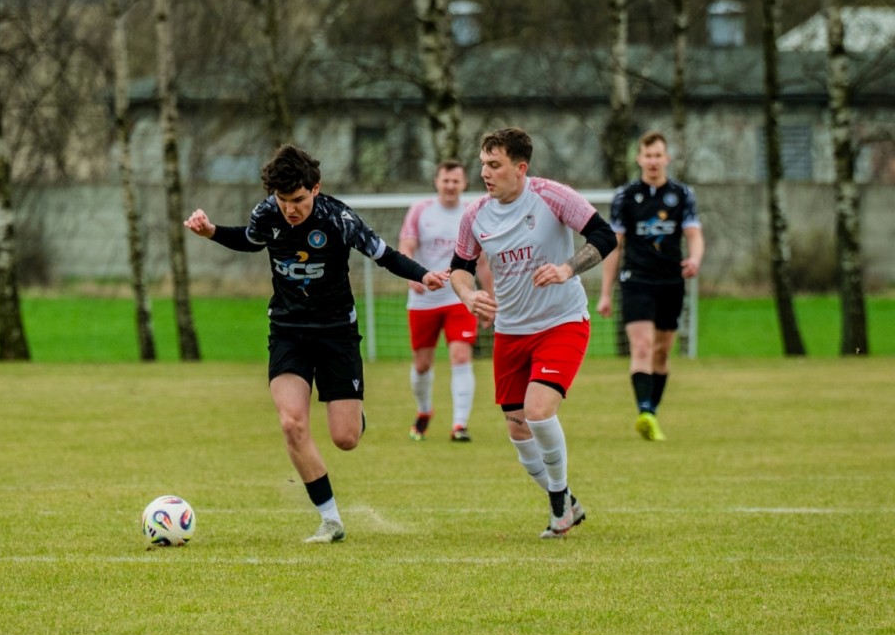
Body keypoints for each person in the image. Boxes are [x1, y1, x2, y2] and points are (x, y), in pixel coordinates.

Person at [185, 144, 448, 543]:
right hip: (288, 331)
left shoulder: (339, 218)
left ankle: (354, 414)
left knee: (345, 439)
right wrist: (212, 231)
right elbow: (251, 240)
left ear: (316, 188)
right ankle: (330, 520)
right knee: (292, 423)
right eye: (283, 200)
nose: (290, 209)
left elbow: (384, 255)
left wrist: (423, 274)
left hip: (336, 332)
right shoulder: (267, 213)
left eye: (298, 200)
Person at [449, 128, 616, 538]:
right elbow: (459, 268)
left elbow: (605, 236)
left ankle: (559, 508)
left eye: (495, 165)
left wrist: (566, 269)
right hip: (510, 331)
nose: (485, 173)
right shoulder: (474, 215)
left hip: (562, 323)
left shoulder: (551, 196)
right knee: (518, 428)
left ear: (520, 168)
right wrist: (468, 296)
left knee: (538, 412)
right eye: (483, 164)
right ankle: (568, 501)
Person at [596, 130, 704, 442]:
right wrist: (605, 293)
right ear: (639, 159)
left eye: (658, 155)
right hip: (636, 281)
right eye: (648, 156)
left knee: (661, 351)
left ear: (666, 158)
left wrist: (695, 259)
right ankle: (644, 411)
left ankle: (651, 413)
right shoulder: (625, 196)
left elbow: (694, 234)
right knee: (642, 346)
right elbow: (614, 245)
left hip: (671, 281)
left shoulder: (682, 195)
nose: (653, 161)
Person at [398, 160, 491, 442]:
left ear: (464, 184)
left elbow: (482, 261)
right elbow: (406, 245)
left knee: (461, 356)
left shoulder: (472, 212)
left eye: (455, 181)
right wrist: (413, 274)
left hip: (459, 297)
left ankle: (459, 425)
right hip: (423, 300)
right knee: (422, 364)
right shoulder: (420, 210)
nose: (450, 186)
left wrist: (490, 298)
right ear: (437, 182)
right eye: (445, 180)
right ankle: (424, 410)